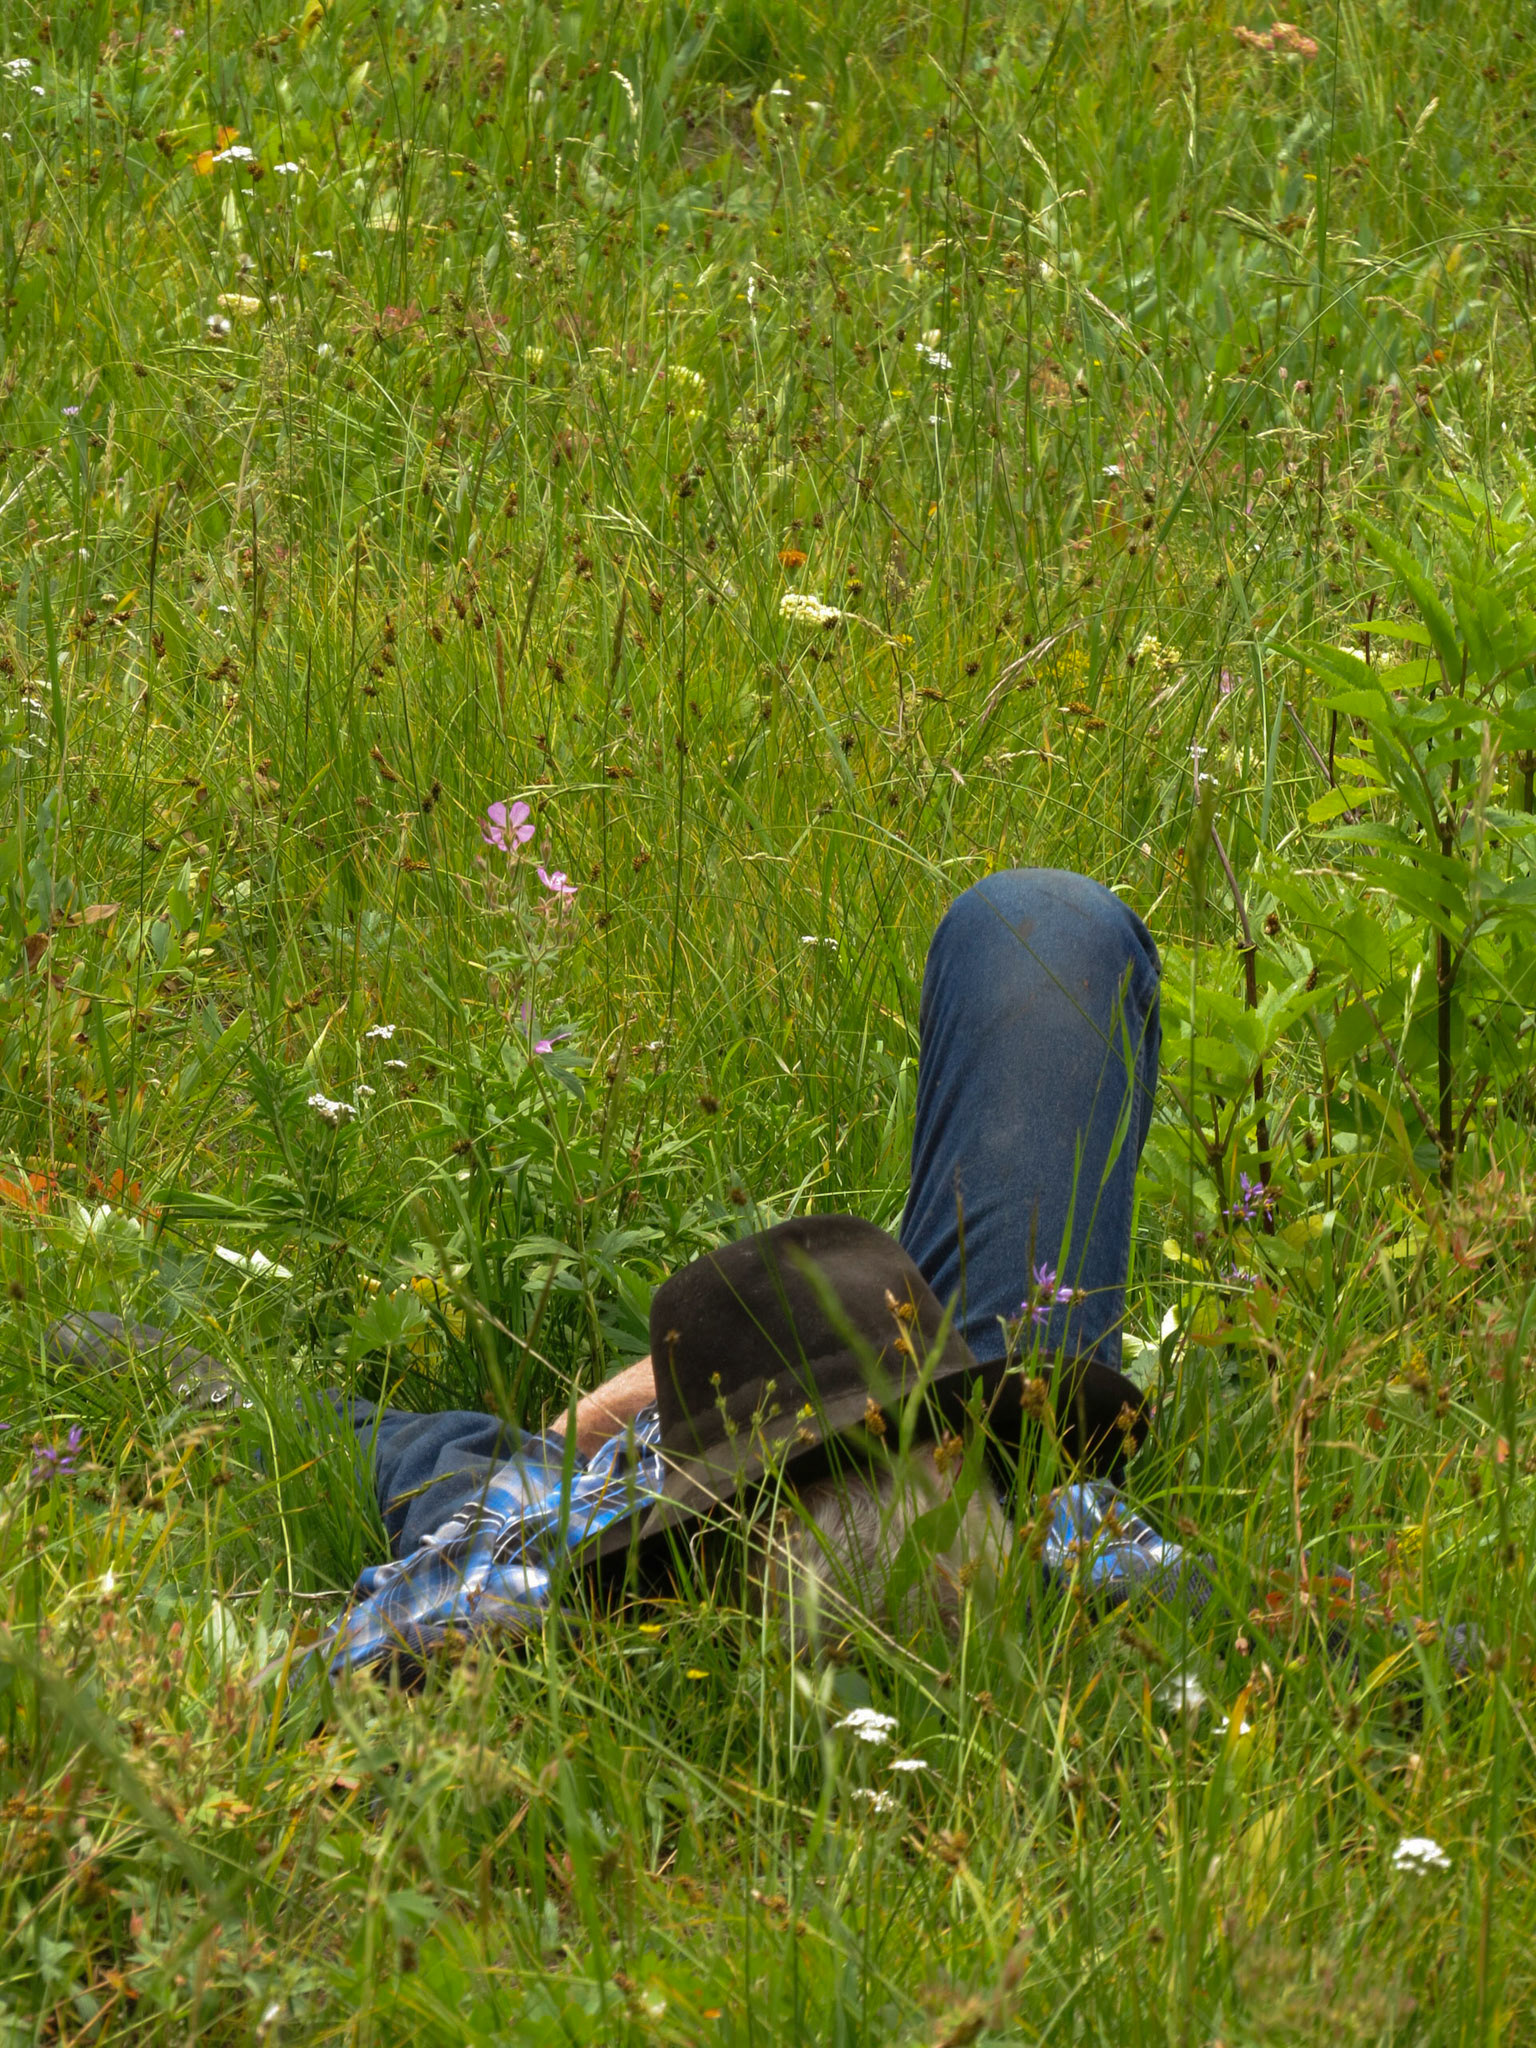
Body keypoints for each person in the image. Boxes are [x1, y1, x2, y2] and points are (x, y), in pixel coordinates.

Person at [51, 869, 1195, 1673]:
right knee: (1044, 924)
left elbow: (358, 1656)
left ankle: (172, 1382)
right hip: (954, 1384)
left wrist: (588, 1428)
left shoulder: (543, 1586)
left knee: (368, 1441)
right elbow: (1292, 1629)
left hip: (578, 1502)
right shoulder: (1059, 1530)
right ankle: (862, 1356)